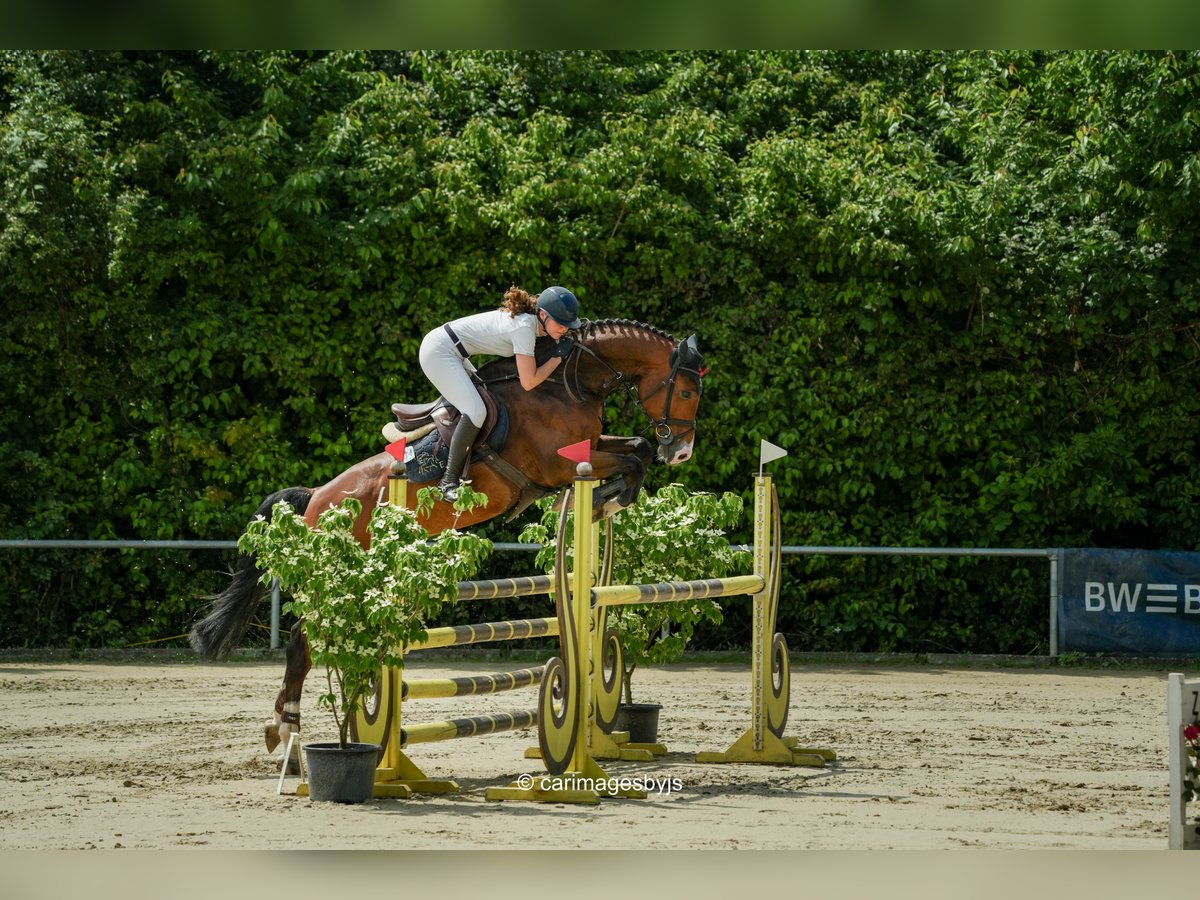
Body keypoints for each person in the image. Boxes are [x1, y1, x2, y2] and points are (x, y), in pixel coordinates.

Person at [419, 285, 582, 501]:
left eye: (568, 325)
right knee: (476, 411)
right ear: (542, 315)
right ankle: (448, 480)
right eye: (561, 324)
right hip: (439, 352)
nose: (564, 329)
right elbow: (529, 381)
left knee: (489, 400)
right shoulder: (524, 327)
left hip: (454, 350)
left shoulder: (534, 324)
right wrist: (557, 357)